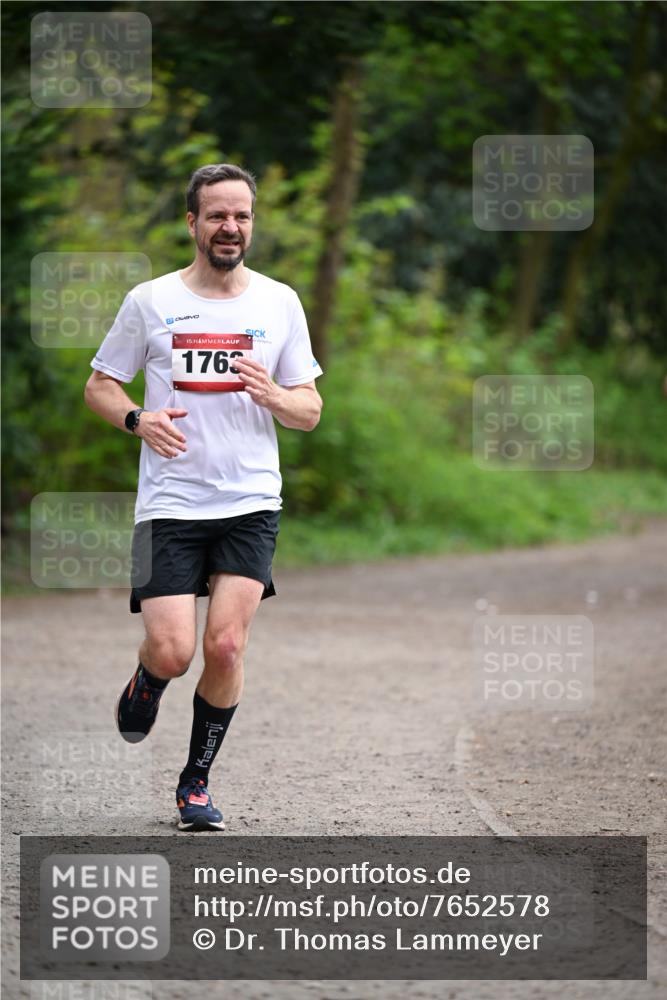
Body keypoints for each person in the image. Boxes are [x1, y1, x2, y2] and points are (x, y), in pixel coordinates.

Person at [84, 163, 323, 831]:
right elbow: (99, 386)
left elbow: (309, 410)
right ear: (192, 222)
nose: (230, 226)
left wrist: (275, 396)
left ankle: (195, 783)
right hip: (169, 502)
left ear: (252, 223)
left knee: (224, 648)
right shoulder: (150, 300)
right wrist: (138, 419)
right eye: (217, 214)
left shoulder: (278, 303)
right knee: (172, 651)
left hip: (250, 498)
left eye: (241, 215)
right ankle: (146, 681)